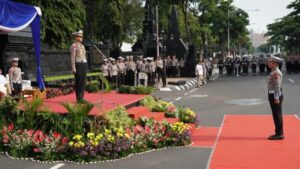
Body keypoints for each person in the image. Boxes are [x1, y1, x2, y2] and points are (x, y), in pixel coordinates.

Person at [267, 55, 284, 140]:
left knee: (277, 115)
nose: (268, 63)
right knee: (276, 114)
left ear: (275, 63)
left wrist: (276, 98)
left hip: (275, 95)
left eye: (270, 62)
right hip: (272, 95)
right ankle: (278, 132)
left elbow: (277, 86)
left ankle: (280, 134)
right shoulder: (273, 71)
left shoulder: (276, 72)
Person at [70, 30, 87, 102]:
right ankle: (79, 98)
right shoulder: (74, 46)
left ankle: (82, 97)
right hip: (78, 64)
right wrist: (73, 67)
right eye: (80, 36)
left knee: (83, 81)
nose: (81, 38)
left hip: (83, 63)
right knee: (78, 81)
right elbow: (72, 57)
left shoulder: (82, 46)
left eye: (82, 36)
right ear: (76, 37)